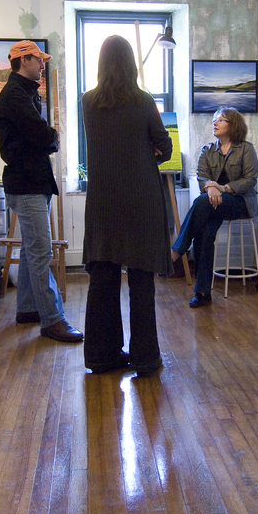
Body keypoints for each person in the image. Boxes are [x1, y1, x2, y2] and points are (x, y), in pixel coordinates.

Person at [80, 35, 173, 374]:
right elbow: (165, 146)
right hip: (141, 201)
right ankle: (146, 359)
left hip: (103, 203)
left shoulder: (87, 102)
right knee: (141, 282)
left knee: (102, 281)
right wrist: (151, 147)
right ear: (132, 62)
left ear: (101, 64)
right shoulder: (144, 100)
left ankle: (101, 357)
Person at [0, 40, 83, 343]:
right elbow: (43, 136)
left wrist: (49, 138)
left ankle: (28, 309)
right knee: (41, 253)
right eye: (39, 61)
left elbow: (42, 137)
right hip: (28, 183)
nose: (43, 65)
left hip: (31, 183)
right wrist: (52, 137)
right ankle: (52, 320)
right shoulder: (16, 96)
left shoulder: (24, 93)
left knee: (32, 250)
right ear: (24, 61)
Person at [171, 107, 258, 308]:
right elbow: (202, 175)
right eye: (215, 120)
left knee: (201, 203)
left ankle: (178, 249)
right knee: (205, 231)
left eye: (221, 120)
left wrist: (223, 188)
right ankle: (202, 292)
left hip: (240, 202)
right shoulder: (207, 150)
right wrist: (210, 188)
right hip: (214, 203)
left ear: (233, 125)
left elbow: (250, 180)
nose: (215, 123)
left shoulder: (246, 148)